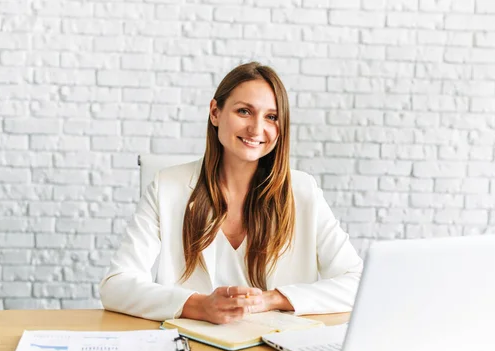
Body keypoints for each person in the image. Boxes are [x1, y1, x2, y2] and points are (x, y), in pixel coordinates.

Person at [100, 61, 363, 324]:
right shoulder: (167, 187)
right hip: (193, 350)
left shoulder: (302, 191)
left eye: (271, 117)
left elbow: (356, 281)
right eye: (244, 111)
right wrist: (198, 306)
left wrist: (272, 299)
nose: (257, 129)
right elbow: (116, 285)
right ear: (215, 112)